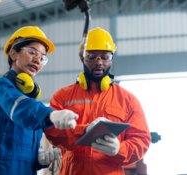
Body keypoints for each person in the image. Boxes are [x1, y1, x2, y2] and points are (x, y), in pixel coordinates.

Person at [44, 27, 151, 175]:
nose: (99, 62)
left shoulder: (128, 100)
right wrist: (84, 131)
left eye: (105, 56)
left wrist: (119, 149)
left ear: (111, 58)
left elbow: (141, 139)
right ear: (82, 58)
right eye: (92, 56)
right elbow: (52, 131)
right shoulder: (63, 96)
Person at [0, 26, 79, 175]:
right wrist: (50, 115)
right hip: (2, 169)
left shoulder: (30, 100)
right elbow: (18, 108)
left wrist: (40, 159)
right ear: (13, 54)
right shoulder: (1, 86)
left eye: (43, 57)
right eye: (32, 52)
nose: (37, 59)